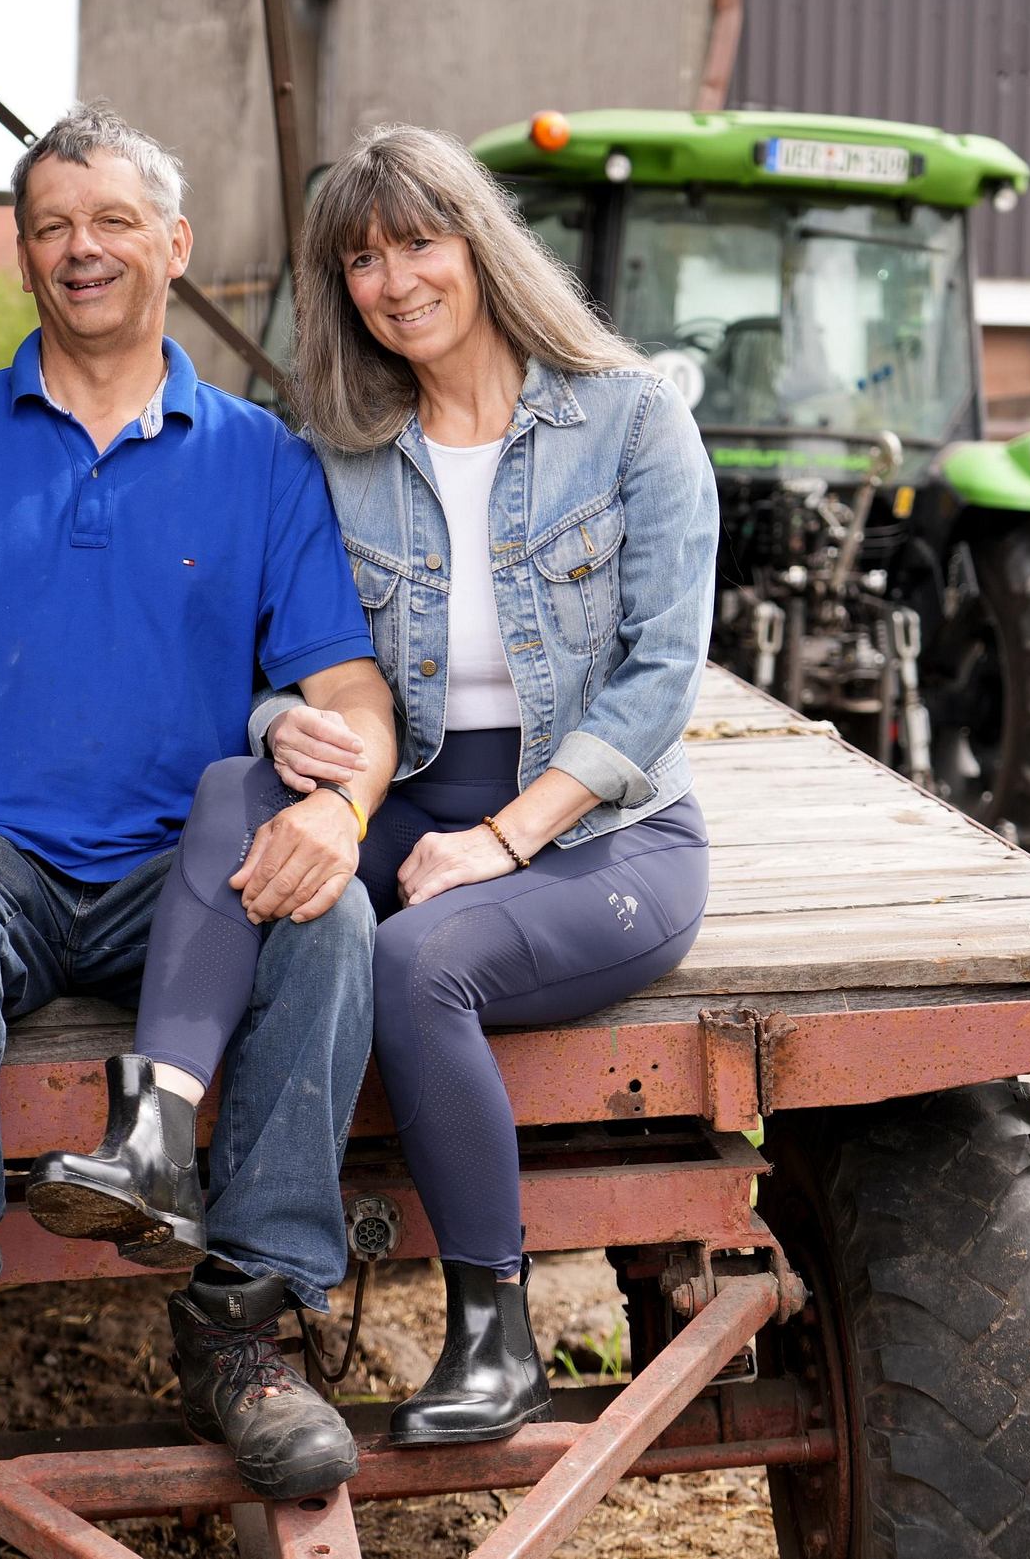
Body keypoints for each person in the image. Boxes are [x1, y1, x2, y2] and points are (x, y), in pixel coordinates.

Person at [0, 101, 395, 1510]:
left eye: (115, 221)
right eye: (55, 227)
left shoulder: (261, 457)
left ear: (175, 245)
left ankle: (248, 1328)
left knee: (331, 920)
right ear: (26, 256)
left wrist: (346, 811)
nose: (85, 250)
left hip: (176, 881)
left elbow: (356, 695)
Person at [264, 124, 717, 1446]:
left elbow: (661, 675)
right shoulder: (341, 446)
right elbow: (268, 650)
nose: (394, 279)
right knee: (240, 811)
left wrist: (503, 840)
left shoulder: (629, 415)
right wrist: (287, 723)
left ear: (480, 244)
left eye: (418, 240)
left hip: (603, 830)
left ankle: (493, 1332)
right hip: (407, 790)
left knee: (420, 964)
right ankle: (206, 1221)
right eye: (359, 259)